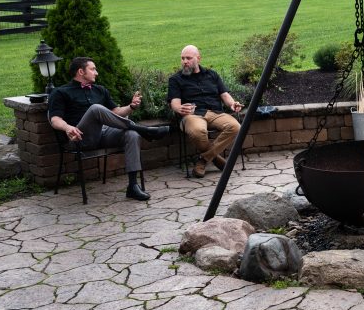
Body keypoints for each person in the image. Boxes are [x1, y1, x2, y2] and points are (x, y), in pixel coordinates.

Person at [47, 57, 169, 201]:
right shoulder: (61, 92)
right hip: (79, 138)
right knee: (95, 109)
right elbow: (55, 119)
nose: (96, 73)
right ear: (81, 72)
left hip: (103, 135)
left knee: (131, 134)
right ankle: (144, 130)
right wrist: (67, 127)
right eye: (93, 69)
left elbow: (116, 112)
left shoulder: (100, 90)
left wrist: (131, 106)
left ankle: (132, 186)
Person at [168, 45, 243, 178]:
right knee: (198, 132)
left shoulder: (212, 75)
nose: (185, 61)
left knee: (235, 127)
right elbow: (174, 102)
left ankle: (203, 160)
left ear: (198, 58)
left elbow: (224, 94)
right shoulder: (175, 79)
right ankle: (215, 159)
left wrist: (233, 104)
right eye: (182, 58)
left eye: (188, 58)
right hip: (193, 115)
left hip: (215, 112)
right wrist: (179, 108)